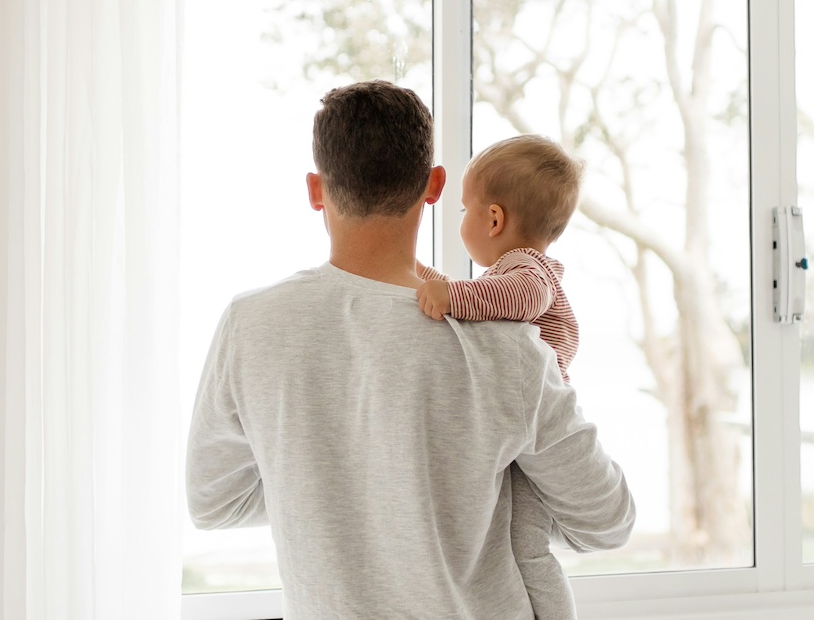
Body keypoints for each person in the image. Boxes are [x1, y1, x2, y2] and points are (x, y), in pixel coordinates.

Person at [185, 80, 635, 619]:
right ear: (435, 185)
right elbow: (608, 520)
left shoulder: (250, 325)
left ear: (315, 190)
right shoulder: (505, 343)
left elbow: (214, 502)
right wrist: (449, 493)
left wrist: (325, 485)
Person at [414, 134, 584, 619]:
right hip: (518, 430)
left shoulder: (528, 271)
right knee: (511, 543)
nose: (461, 220)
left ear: (493, 219)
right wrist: (412, 272)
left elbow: (515, 300)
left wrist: (452, 298)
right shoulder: (504, 277)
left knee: (528, 548)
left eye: (464, 209)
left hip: (537, 431)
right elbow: (470, 296)